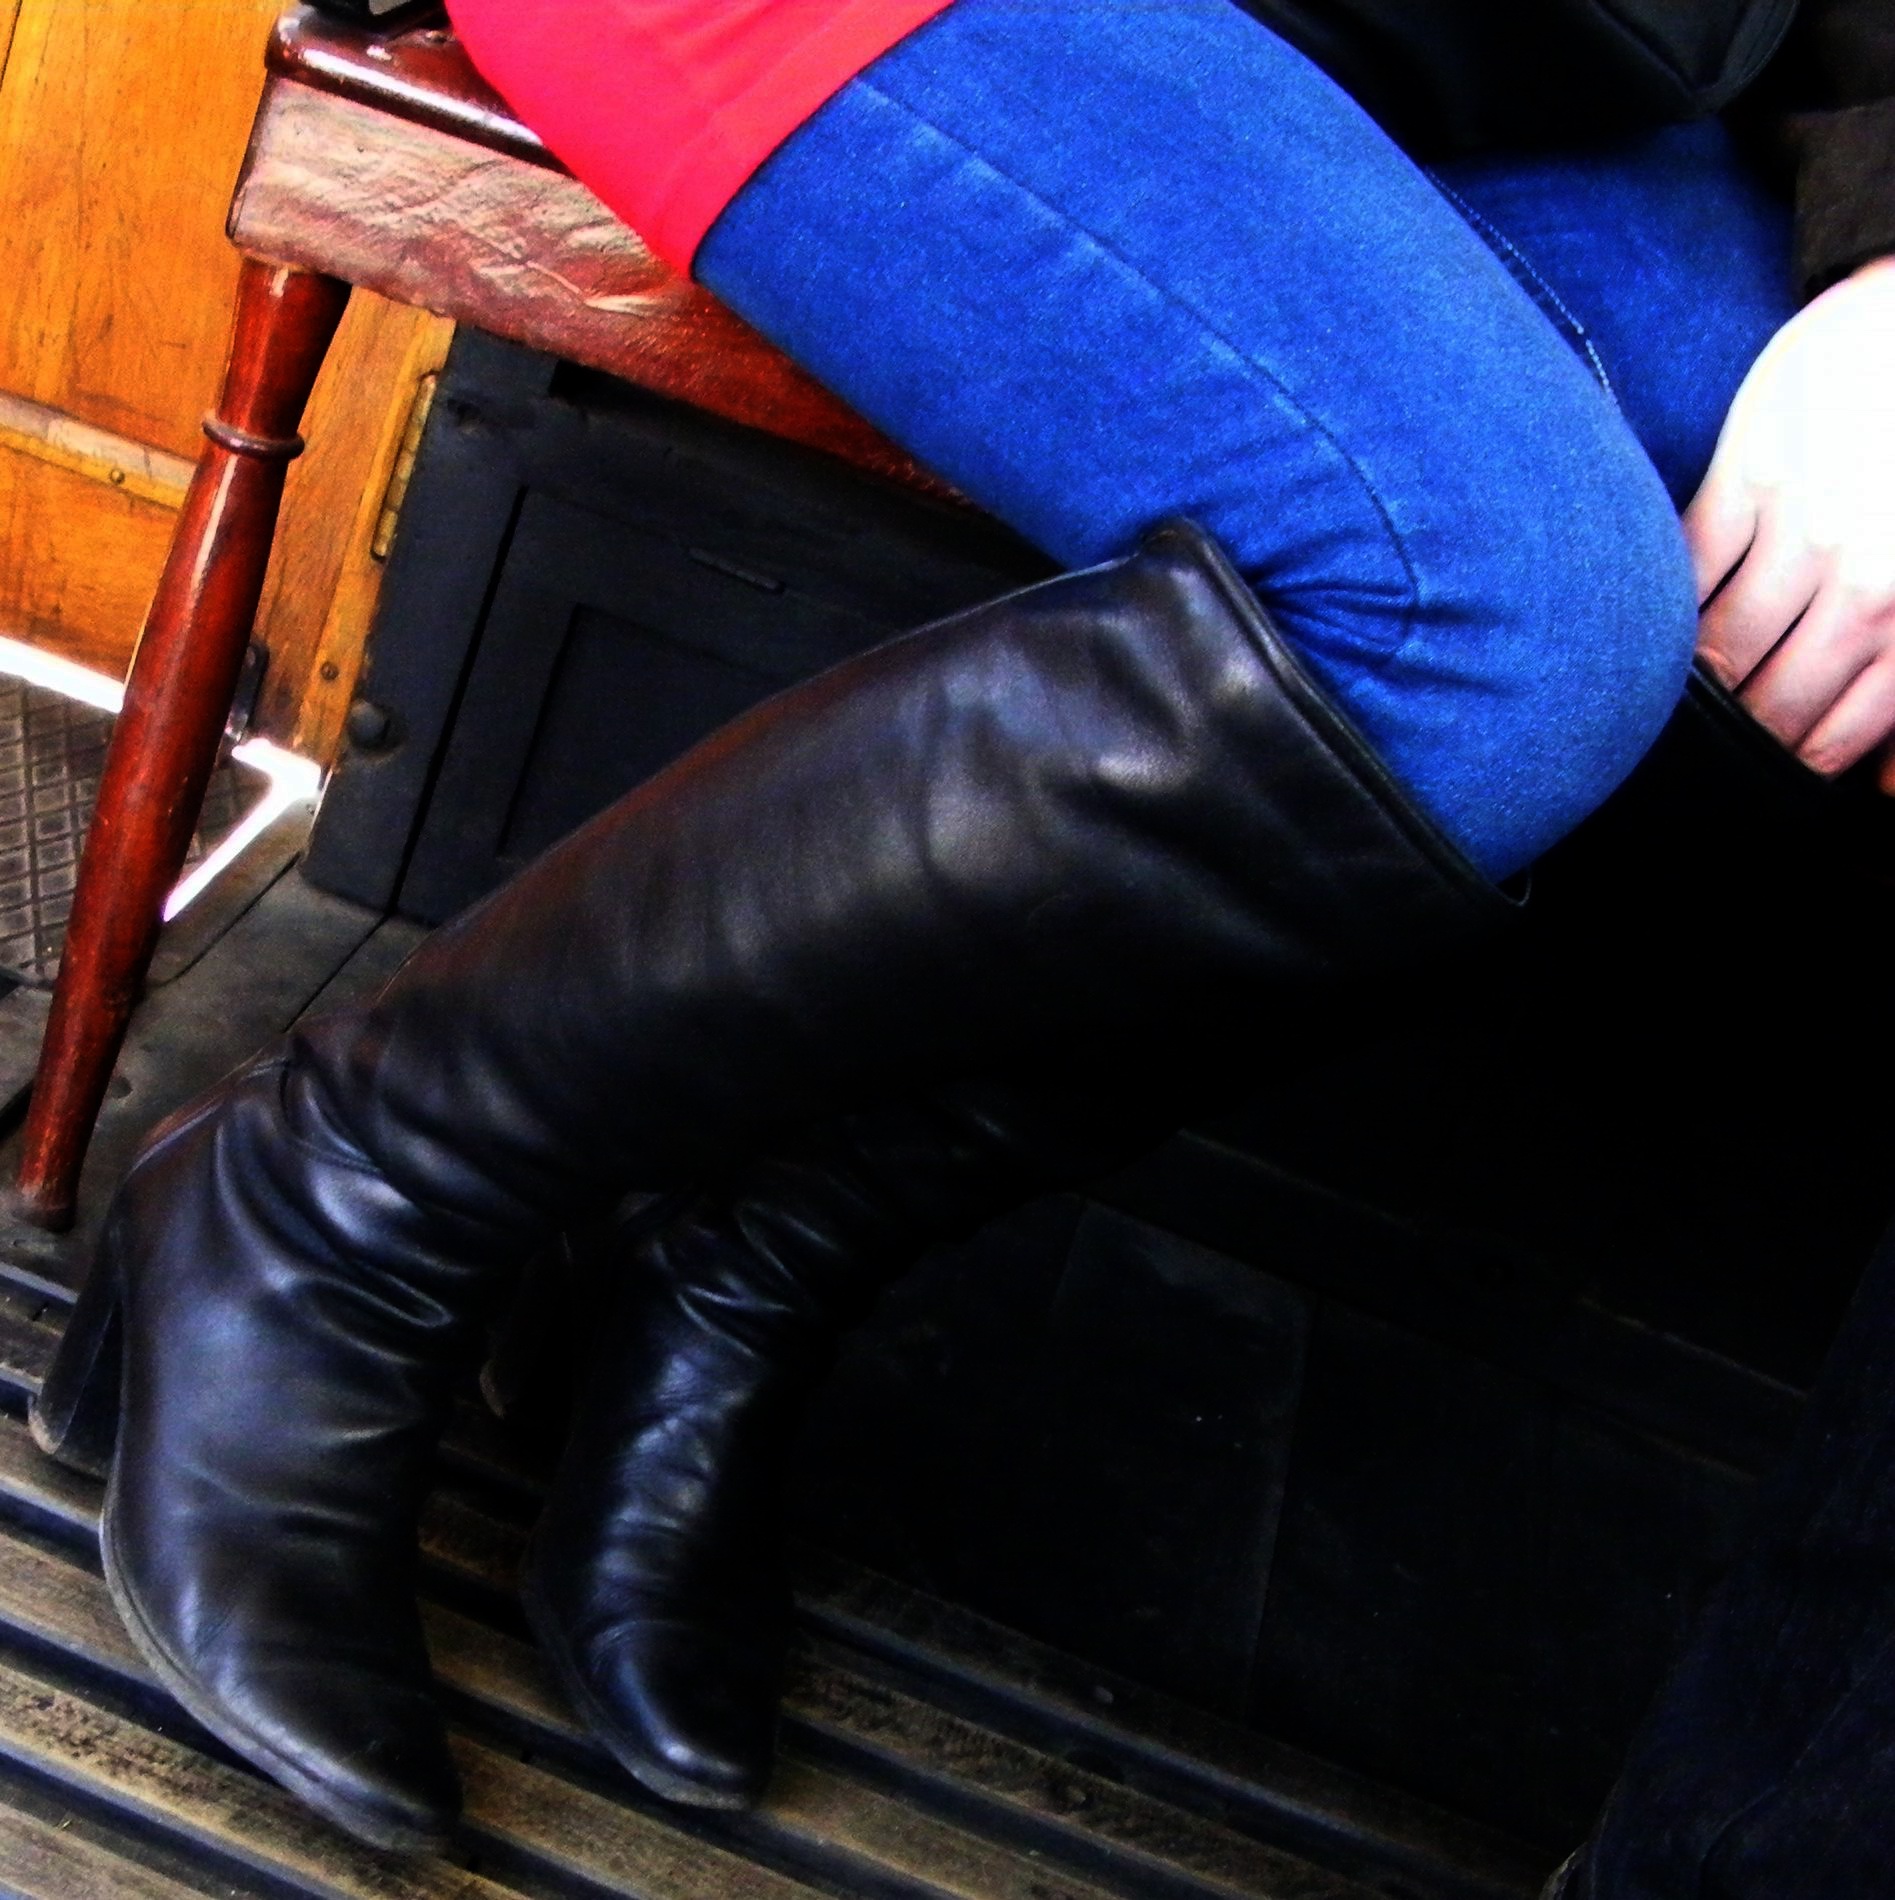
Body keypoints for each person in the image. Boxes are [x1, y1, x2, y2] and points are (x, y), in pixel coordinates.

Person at [35, 0, 1895, 1887]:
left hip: (1581, 59)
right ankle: (333, 1195)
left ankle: (729, 1269)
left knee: (1763, 560)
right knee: (1504, 622)